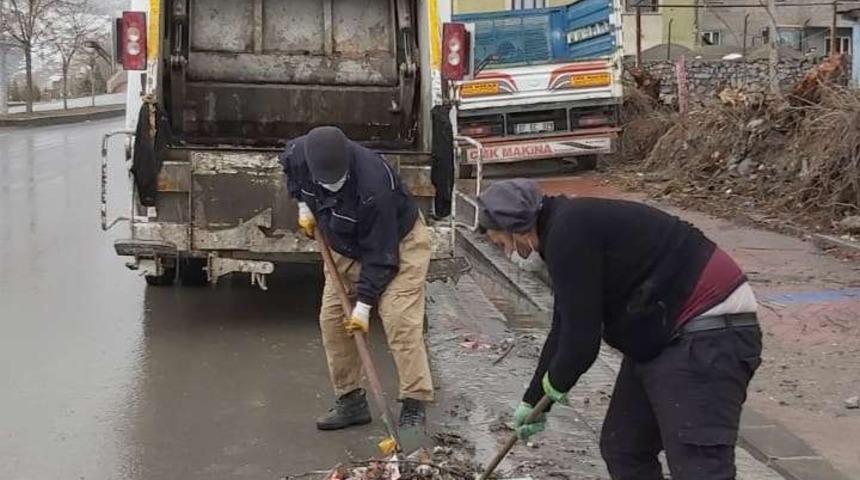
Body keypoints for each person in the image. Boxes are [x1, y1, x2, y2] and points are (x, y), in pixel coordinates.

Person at [477, 179, 762, 480]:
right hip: (661, 337)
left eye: (502, 244)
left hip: (707, 331)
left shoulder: (569, 230)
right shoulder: (562, 230)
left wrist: (554, 389)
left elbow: (582, 343)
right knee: (625, 448)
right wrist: (533, 400)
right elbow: (564, 325)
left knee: (698, 466)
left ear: (518, 228)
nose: (508, 254)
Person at [279, 126, 434, 430]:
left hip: (399, 244)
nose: (332, 187)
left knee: (398, 317)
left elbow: (381, 256)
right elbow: (291, 174)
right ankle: (351, 402)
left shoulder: (375, 184)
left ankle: (414, 403)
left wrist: (363, 306)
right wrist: (302, 205)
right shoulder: (299, 155)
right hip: (343, 246)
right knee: (333, 320)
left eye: (338, 181)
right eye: (325, 182)